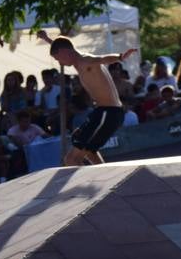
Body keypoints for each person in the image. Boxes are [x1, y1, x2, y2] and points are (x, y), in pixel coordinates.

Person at [49, 36, 137, 166]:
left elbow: (102, 59)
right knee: (90, 151)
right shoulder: (76, 59)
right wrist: (47, 39)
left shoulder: (86, 61)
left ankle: (83, 184)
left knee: (71, 159)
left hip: (108, 113)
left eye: (58, 59)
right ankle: (105, 178)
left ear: (64, 52)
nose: (60, 63)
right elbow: (62, 45)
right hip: (105, 113)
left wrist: (120, 56)